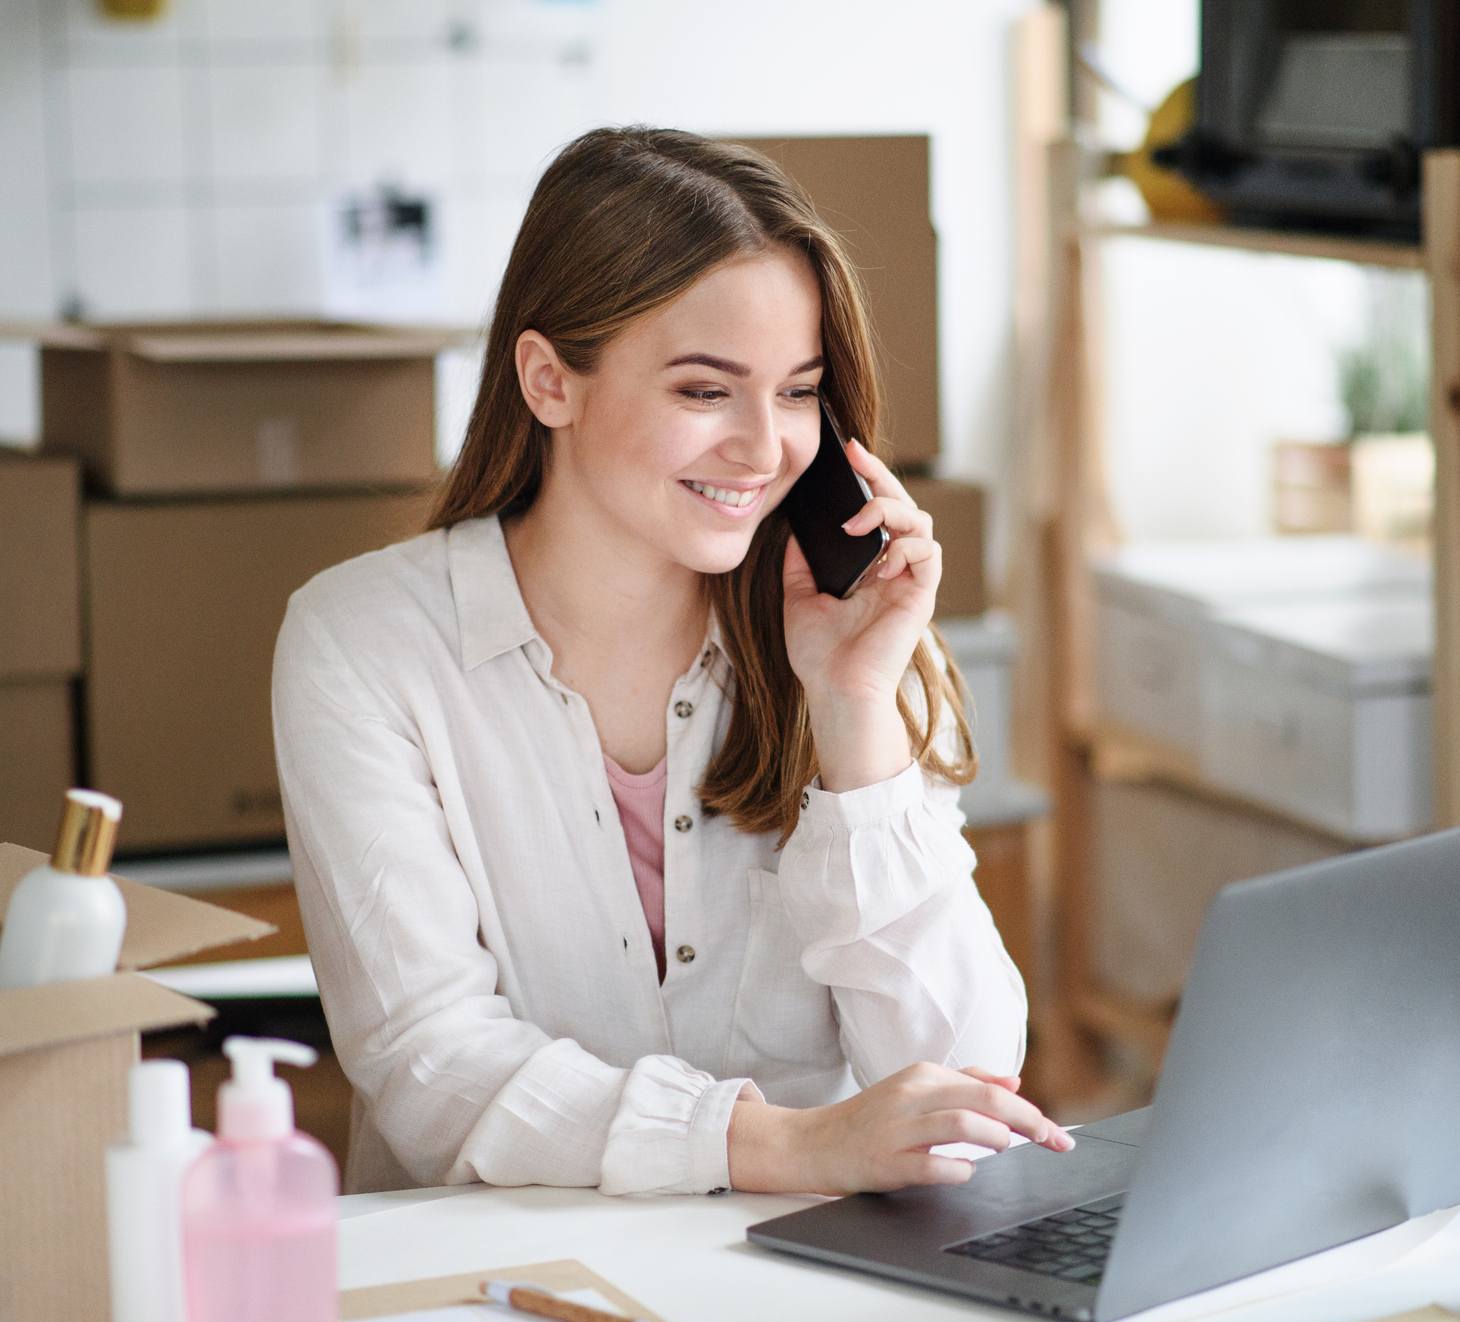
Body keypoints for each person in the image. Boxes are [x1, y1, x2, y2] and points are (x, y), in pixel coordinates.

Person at [272, 125, 1071, 1200]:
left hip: (808, 1282)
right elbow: (432, 1065)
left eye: (797, 392)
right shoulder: (363, 643)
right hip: (503, 1291)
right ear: (550, 381)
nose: (764, 446)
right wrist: (789, 1145)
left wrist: (853, 707)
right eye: (706, 391)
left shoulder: (851, 636)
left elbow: (965, 1073)